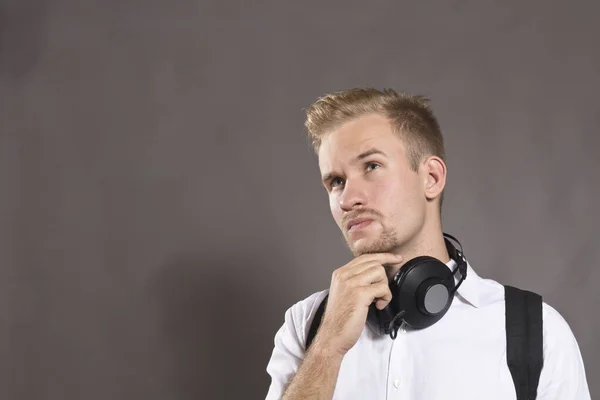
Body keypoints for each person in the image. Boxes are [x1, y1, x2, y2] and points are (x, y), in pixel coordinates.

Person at [264, 88, 591, 399]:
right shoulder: (307, 324)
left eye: (372, 166)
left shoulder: (537, 331)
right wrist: (326, 348)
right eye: (336, 182)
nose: (348, 199)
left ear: (431, 178)